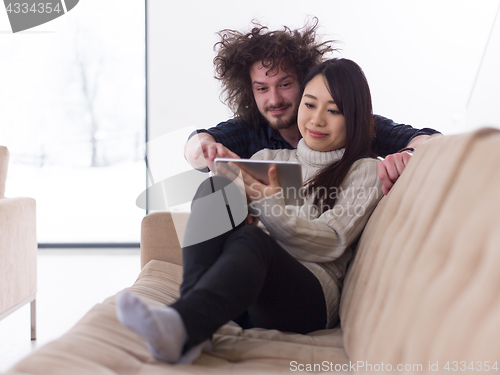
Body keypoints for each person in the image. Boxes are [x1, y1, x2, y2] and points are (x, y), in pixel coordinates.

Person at [116, 58, 384, 364]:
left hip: (310, 299)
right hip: (248, 292)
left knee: (252, 241)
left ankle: (184, 325)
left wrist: (265, 202)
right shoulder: (269, 157)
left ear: (355, 117)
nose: (316, 120)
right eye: (309, 105)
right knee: (215, 188)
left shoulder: (365, 170)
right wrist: (239, 201)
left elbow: (332, 241)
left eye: (333, 111)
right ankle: (189, 321)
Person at [184, 19, 441, 195]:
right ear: (250, 91)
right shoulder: (252, 131)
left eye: (284, 84)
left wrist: (408, 155)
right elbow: (196, 145)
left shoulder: (351, 124)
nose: (274, 100)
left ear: (306, 81)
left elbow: (429, 139)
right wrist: (204, 148)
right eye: (262, 88)